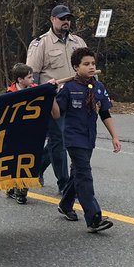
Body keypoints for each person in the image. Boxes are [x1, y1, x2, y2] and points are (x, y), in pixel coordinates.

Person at [53, 47, 121, 233]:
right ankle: (93, 218)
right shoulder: (68, 88)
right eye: (86, 64)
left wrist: (114, 136)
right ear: (76, 67)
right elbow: (57, 113)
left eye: (93, 64)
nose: (91, 67)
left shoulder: (98, 87)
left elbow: (105, 113)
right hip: (73, 138)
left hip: (89, 137)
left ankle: (66, 205)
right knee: (84, 174)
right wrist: (51, 95)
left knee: (77, 173)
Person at [26, 4, 87, 193]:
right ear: (52, 20)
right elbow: (32, 75)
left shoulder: (78, 42)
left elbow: (88, 68)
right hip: (54, 101)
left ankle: (35, 169)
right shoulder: (41, 43)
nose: (66, 22)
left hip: (76, 99)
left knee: (59, 141)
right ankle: (65, 185)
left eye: (68, 18)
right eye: (62, 18)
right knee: (59, 141)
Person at [5, 62, 36, 205]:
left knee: (27, 162)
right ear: (20, 79)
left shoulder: (36, 90)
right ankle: (12, 187)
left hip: (31, 132)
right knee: (15, 162)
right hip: (15, 133)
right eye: (30, 77)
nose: (32, 80)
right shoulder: (9, 93)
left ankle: (21, 191)